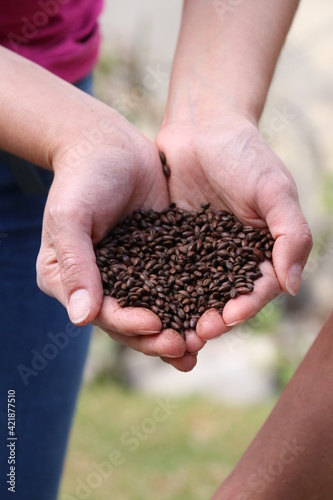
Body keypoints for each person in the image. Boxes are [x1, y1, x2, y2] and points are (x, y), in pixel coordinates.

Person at [0, 0, 312, 499]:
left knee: (14, 479)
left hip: (47, 121)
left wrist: (211, 113)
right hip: (54, 117)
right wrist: (72, 130)